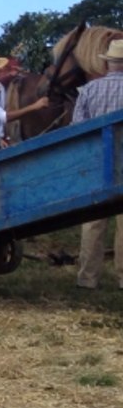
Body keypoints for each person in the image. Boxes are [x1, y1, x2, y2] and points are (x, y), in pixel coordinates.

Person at [76, 40, 123, 289]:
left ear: (107, 63)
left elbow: (77, 131)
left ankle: (87, 277)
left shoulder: (89, 90)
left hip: (96, 162)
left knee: (93, 222)